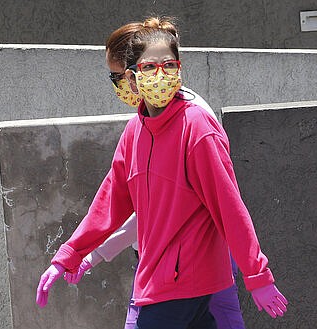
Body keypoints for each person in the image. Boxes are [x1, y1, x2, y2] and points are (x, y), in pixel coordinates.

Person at [37, 17, 288, 329]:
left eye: (169, 66)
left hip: (184, 283)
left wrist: (257, 276)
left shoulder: (197, 126)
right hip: (157, 280)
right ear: (131, 78)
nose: (161, 76)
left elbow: (229, 207)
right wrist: (70, 256)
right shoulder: (134, 132)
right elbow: (109, 203)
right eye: (149, 68)